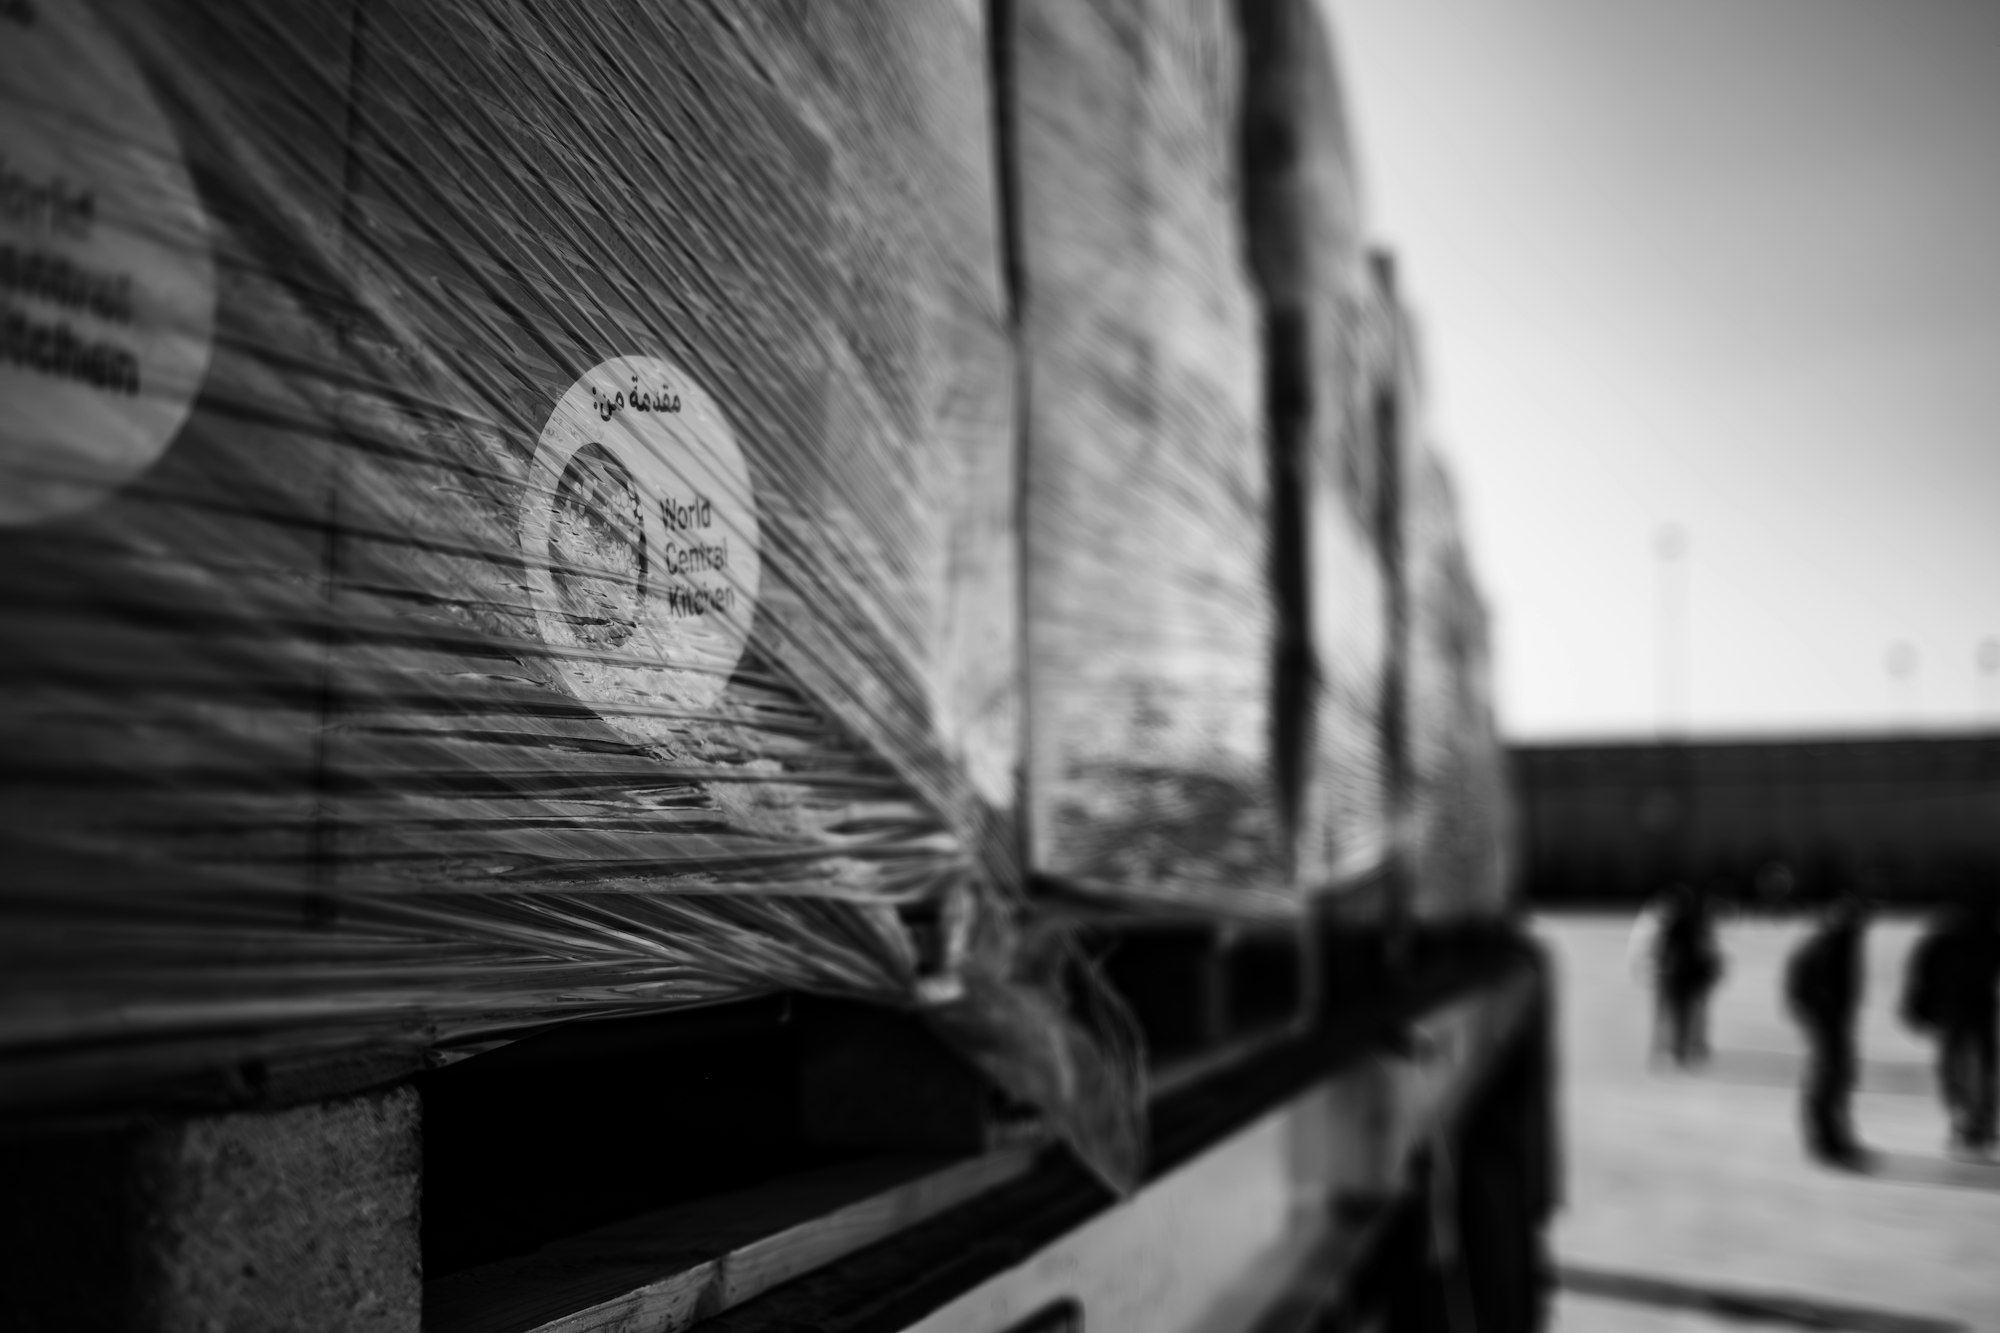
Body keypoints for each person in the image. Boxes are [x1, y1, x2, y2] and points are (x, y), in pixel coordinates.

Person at [1902, 896, 2000, 1159]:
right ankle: (1971, 1120)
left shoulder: (1950, 936)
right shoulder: (1974, 935)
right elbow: (1922, 974)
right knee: (1969, 1068)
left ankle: (1972, 1120)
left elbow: (1921, 974)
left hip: (1963, 1010)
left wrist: (1916, 1006)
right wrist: (1916, 1005)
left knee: (1966, 1068)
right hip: (1962, 1010)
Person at [1784, 895, 1872, 1169]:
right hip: (1826, 1021)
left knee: (1840, 1077)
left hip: (1836, 1020)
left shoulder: (1845, 942)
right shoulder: (1828, 943)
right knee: (1827, 1078)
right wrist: (1816, 1013)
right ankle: (1824, 1141)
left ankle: (1837, 1137)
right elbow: (1798, 984)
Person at [1636, 883, 1725, 1067]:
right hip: (1679, 976)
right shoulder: (1675, 923)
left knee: (1679, 1013)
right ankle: (1674, 1047)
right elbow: (1707, 950)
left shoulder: (1675, 923)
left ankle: (1678, 1047)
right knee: (1680, 1013)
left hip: (1680, 976)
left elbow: (1706, 950)